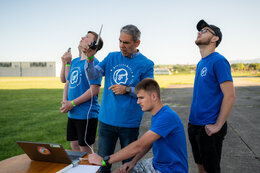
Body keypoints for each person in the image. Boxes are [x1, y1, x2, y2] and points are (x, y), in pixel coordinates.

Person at [82, 24, 154, 172]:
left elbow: (148, 91)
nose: (122, 45)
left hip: (129, 123)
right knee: (102, 165)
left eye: (126, 42)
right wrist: (90, 59)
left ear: (137, 43)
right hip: (106, 121)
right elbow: (94, 75)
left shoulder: (146, 64)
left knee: (127, 166)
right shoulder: (111, 57)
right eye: (120, 41)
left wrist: (127, 89)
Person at [88, 78, 188, 173]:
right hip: (156, 164)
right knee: (119, 171)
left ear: (154, 96)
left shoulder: (167, 117)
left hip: (170, 170)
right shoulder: (158, 114)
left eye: (141, 98)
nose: (138, 101)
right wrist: (133, 161)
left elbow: (139, 145)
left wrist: (105, 160)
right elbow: (148, 143)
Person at [188, 19, 236, 173]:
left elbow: (230, 96)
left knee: (211, 170)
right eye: (199, 31)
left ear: (215, 38)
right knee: (200, 167)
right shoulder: (201, 63)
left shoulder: (219, 61)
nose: (199, 32)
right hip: (194, 124)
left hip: (209, 127)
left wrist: (217, 125)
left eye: (205, 31)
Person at [60, 31, 103, 153]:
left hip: (86, 114)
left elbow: (94, 90)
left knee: (85, 149)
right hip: (73, 113)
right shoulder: (75, 62)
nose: (82, 37)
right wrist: (65, 101)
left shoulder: (94, 63)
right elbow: (66, 80)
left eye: (87, 37)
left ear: (93, 44)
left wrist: (72, 103)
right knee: (74, 146)